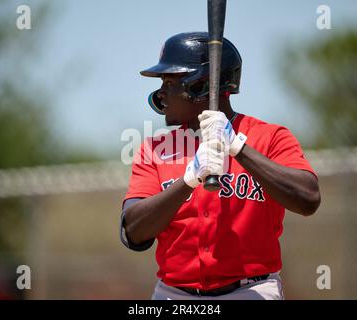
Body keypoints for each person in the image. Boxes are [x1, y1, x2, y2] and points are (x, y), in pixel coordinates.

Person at [120, 32, 321, 300]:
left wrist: (238, 148)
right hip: (174, 294)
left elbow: (308, 199)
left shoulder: (270, 137)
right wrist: (187, 182)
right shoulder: (154, 149)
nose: (161, 94)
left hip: (251, 291)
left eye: (170, 82)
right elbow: (133, 232)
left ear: (201, 86)